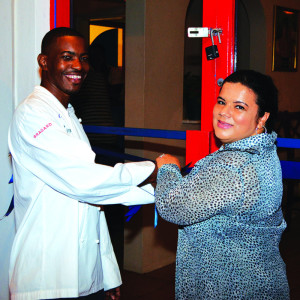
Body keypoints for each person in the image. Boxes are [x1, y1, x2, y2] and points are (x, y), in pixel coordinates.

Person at [8, 27, 155, 300]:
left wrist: (106, 274)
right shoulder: (33, 113)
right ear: (44, 62)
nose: (78, 65)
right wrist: (155, 171)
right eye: (67, 56)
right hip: (47, 277)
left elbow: (92, 205)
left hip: (84, 278)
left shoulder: (68, 113)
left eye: (83, 57)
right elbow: (84, 182)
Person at [155, 70, 289, 299]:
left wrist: (168, 167)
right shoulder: (264, 150)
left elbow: (174, 206)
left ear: (262, 117)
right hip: (261, 282)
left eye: (239, 107)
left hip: (229, 287)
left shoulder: (232, 166)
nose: (224, 112)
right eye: (221, 101)